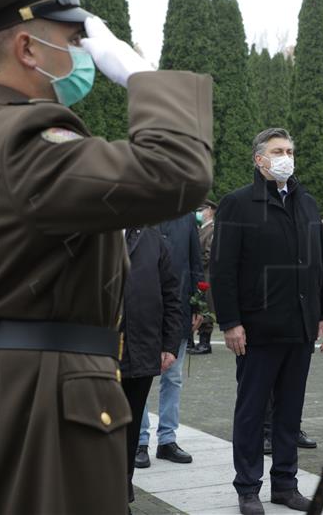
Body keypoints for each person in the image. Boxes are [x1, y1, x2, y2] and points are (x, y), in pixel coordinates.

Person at [0, 0, 213, 513]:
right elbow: (178, 172)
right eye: (76, 41)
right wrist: (141, 74)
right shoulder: (26, 140)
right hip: (39, 407)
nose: (88, 54)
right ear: (27, 49)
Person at [210, 128, 323, 515]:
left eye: (290, 150)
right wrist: (230, 322)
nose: (286, 157)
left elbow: (321, 265)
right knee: (252, 411)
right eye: (278, 151)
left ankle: (285, 483)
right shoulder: (238, 204)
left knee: (289, 412)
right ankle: (248, 487)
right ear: (259, 160)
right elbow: (222, 269)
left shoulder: (307, 204)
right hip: (257, 330)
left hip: (299, 327)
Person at [120, 226, 183, 506]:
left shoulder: (154, 240)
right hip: (99, 351)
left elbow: (171, 294)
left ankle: (122, 494)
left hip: (143, 348)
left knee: (130, 429)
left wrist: (169, 344)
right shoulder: (93, 233)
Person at [136, 213, 204, 467]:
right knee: (138, 377)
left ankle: (167, 439)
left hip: (179, 308)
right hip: (142, 311)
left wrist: (199, 304)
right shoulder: (136, 214)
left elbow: (195, 261)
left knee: (173, 377)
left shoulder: (185, 217)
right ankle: (139, 440)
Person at [190, 199, 218, 355]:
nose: (199, 213)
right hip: (198, 273)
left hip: (206, 274)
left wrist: (193, 262)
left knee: (205, 305)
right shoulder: (201, 229)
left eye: (201, 210)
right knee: (199, 304)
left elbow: (208, 254)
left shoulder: (213, 229)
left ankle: (205, 343)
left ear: (209, 210)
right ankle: (196, 340)